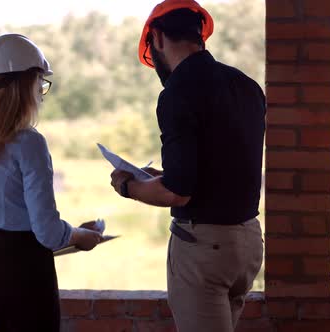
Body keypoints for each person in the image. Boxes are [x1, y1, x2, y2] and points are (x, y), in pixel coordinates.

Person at [109, 1, 265, 331]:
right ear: (199, 35)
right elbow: (221, 167)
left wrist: (128, 186)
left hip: (205, 249)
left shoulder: (177, 93)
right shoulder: (247, 86)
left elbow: (178, 194)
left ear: (158, 37)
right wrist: (162, 176)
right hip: (248, 245)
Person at [0, 34, 103, 332]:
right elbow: (48, 233)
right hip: (26, 274)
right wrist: (81, 236)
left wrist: (74, 232)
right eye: (40, 82)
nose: (41, 91)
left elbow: (15, 219)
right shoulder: (29, 143)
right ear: (25, 85)